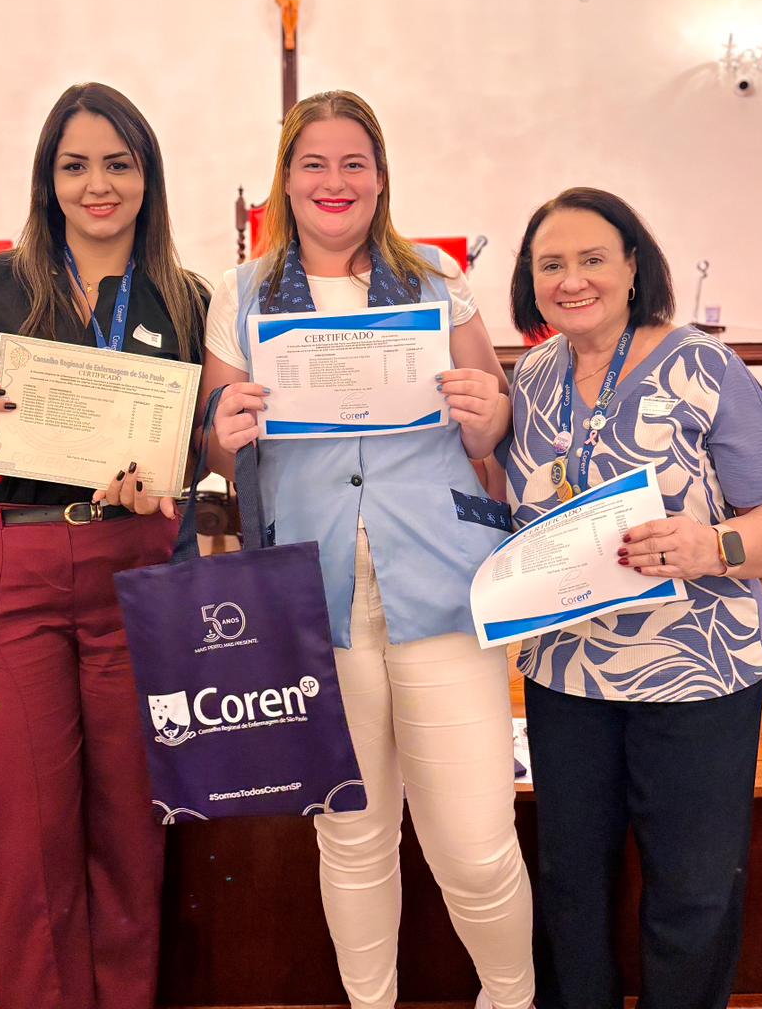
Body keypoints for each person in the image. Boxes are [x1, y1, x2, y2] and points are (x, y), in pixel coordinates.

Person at [201, 89, 535, 1009]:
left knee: (476, 844)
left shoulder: (433, 277)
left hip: (441, 584)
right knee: (352, 835)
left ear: (381, 177)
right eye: (314, 163)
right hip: (309, 599)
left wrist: (488, 410)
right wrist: (222, 429)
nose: (335, 180)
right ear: (286, 178)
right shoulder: (242, 292)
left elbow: (495, 421)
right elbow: (216, 451)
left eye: (354, 162)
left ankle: (512, 999)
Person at [0, 82, 209, 1009]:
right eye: (75, 165)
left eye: (118, 164)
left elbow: (196, 448)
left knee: (132, 826)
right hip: (18, 568)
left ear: (147, 176)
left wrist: (183, 465)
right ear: (48, 179)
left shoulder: (185, 297)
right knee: (29, 832)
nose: (98, 185)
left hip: (138, 565)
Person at [503, 186, 762, 1009]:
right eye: (551, 264)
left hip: (697, 675)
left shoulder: (702, 366)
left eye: (593, 259)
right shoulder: (531, 376)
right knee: (571, 885)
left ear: (634, 265)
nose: (572, 280)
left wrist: (714, 546)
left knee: (692, 890)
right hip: (567, 674)